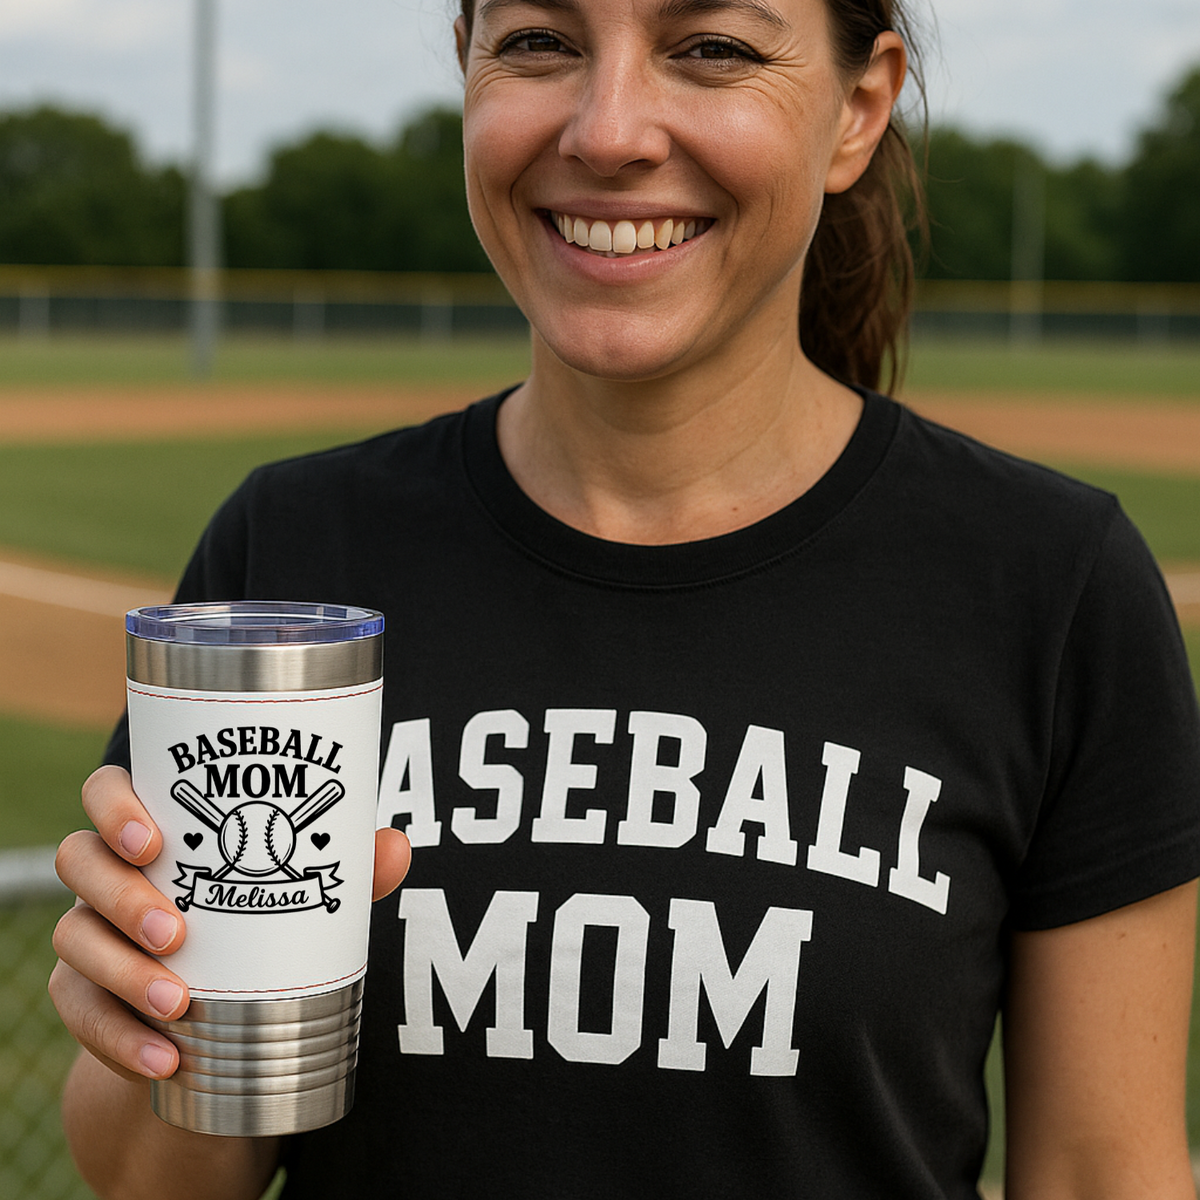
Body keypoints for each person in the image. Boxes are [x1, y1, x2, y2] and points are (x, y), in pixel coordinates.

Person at [49, 0, 1200, 1195]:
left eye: (713, 48)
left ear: (858, 108)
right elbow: (160, 1180)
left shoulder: (1049, 582)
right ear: (468, 71)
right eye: (541, 42)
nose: (609, 131)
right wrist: (156, 1012)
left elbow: (1100, 1171)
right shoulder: (294, 563)